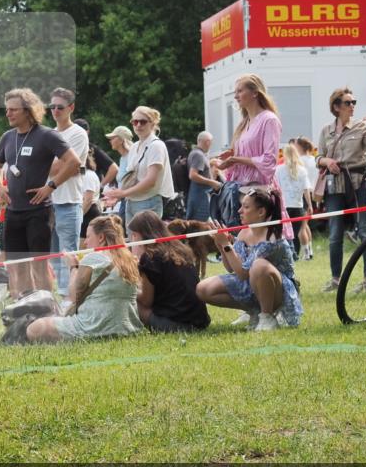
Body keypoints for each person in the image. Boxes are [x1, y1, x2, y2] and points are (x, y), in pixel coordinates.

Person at [0, 88, 81, 296]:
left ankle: (45, 307)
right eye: (7, 109)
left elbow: (73, 161)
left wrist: (51, 186)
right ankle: (25, 307)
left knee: (39, 266)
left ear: (28, 110)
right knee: (17, 267)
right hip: (13, 212)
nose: (8, 113)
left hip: (38, 212)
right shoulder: (7, 137)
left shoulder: (47, 135)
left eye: (13, 109)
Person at [196, 188, 302, 331]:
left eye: (246, 207)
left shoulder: (272, 239)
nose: (239, 211)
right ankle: (255, 312)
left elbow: (243, 273)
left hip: (278, 292)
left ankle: (267, 317)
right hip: (250, 284)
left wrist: (227, 245)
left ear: (261, 212)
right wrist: (221, 245)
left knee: (259, 266)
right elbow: (231, 268)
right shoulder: (244, 232)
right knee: (203, 289)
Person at [24, 215, 142, 342]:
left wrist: (73, 267)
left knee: (34, 328)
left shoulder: (93, 258)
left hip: (92, 327)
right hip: (127, 328)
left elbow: (73, 296)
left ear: (101, 238)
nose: (85, 242)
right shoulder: (130, 259)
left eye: (88, 236)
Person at [215, 75, 290, 239]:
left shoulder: (269, 120)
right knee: (241, 243)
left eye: (240, 91)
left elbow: (269, 161)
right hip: (241, 190)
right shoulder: (245, 122)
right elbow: (252, 153)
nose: (236, 96)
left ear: (255, 93)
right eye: (235, 92)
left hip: (259, 192)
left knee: (262, 242)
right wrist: (233, 154)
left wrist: (236, 160)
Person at [316, 87, 366, 292]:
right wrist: (327, 161)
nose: (352, 106)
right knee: (334, 233)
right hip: (334, 185)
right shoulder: (326, 130)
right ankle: (335, 279)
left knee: (365, 230)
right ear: (336, 107)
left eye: (354, 102)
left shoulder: (361, 127)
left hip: (359, 182)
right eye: (348, 103)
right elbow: (318, 158)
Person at [128, 210, 210, 332]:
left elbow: (146, 301)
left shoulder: (150, 257)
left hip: (176, 324)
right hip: (200, 321)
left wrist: (129, 290)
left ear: (139, 235)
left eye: (134, 235)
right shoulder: (180, 249)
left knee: (129, 301)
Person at [103, 106, 174, 230]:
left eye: (143, 122)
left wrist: (123, 193)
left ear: (152, 124)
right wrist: (117, 195)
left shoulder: (156, 146)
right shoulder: (135, 146)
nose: (138, 125)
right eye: (135, 122)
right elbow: (133, 179)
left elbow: (150, 181)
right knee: (134, 241)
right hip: (131, 202)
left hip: (148, 202)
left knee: (146, 242)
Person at [47, 88, 89, 296]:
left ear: (71, 108)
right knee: (54, 256)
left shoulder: (78, 134)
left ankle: (71, 300)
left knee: (69, 256)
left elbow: (63, 166)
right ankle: (62, 297)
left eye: (60, 107)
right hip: (48, 203)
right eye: (52, 107)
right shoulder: (50, 134)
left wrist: (37, 165)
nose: (55, 110)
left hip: (68, 202)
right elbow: (55, 165)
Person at [275, 142, 312, 260]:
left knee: (284, 233)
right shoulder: (302, 170)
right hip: (298, 205)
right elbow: (306, 189)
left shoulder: (278, 169)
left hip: (284, 206)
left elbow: (276, 188)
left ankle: (289, 256)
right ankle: (295, 255)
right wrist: (310, 205)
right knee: (295, 233)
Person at [186, 131, 221, 222]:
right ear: (208, 142)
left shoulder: (196, 153)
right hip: (200, 195)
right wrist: (212, 182)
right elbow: (193, 175)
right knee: (200, 224)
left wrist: (210, 164)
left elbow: (202, 171)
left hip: (199, 194)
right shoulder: (198, 155)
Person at [75, 118, 118, 187]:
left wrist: (100, 186)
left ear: (87, 132)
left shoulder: (93, 149)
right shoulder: (70, 149)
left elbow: (114, 168)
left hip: (91, 189)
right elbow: (81, 171)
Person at [295, 137, 318, 259]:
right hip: (312, 193)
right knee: (305, 225)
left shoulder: (299, 160)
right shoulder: (313, 159)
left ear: (300, 147)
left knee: (301, 227)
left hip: (303, 194)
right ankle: (310, 251)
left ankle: (306, 254)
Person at [79, 154, 102, 241]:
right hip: (86, 212)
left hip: (89, 213)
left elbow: (88, 200)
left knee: (84, 245)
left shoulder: (88, 175)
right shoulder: (84, 175)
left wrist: (79, 217)